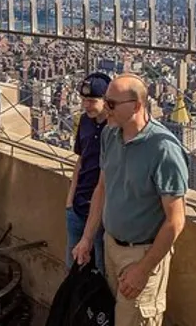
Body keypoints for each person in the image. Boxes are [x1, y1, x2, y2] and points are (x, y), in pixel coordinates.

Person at [73, 73, 189, 326]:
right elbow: (102, 188)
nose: (106, 108)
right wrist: (87, 238)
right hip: (111, 246)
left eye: (112, 104)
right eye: (106, 101)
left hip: (142, 254)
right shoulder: (109, 135)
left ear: (136, 106)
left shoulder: (164, 149)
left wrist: (143, 269)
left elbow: (176, 221)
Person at [66, 72, 110, 275]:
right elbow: (81, 160)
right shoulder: (84, 121)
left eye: (92, 100)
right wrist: (70, 200)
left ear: (106, 100)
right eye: (84, 100)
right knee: (73, 269)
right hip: (78, 206)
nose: (86, 105)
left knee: (102, 272)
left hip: (103, 214)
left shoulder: (115, 129)